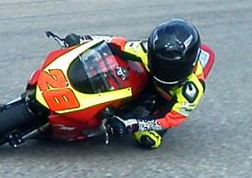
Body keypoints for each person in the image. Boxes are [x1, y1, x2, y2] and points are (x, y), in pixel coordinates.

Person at [63, 19, 215, 149]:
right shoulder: (146, 50)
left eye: (171, 67)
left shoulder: (192, 89)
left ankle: (137, 115)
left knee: (146, 139)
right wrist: (82, 40)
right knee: (112, 63)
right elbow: (117, 44)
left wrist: (131, 124)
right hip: (148, 78)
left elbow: (169, 119)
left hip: (167, 100)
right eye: (159, 63)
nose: (164, 70)